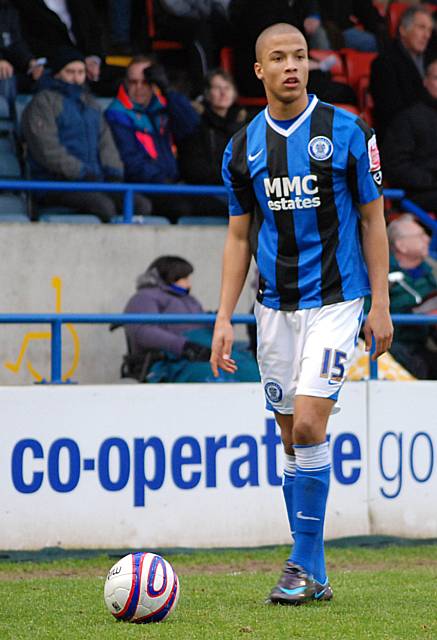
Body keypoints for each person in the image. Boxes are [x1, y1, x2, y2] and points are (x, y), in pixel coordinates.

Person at [210, 22, 393, 604]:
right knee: (292, 441)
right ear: (258, 71)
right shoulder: (241, 149)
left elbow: (373, 217)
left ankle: (301, 564)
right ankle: (313, 574)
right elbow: (239, 238)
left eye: (301, 56)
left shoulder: (346, 131)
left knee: (312, 424)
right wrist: (222, 317)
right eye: (278, 58)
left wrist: (381, 303)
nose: (292, 65)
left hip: (338, 303)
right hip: (273, 311)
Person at [22, 48, 151, 222]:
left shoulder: (91, 103)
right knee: (104, 207)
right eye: (70, 72)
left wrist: (113, 172)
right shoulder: (42, 102)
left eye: (80, 72)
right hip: (56, 184)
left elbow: (106, 142)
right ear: (57, 74)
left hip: (94, 181)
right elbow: (46, 149)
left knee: (141, 205)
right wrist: (81, 172)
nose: (76, 78)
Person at [106, 56, 217, 222]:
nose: (138, 88)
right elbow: (131, 161)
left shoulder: (163, 107)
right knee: (182, 208)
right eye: (133, 82)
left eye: (145, 82)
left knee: (222, 207)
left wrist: (167, 89)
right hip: (144, 186)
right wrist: (163, 182)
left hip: (172, 186)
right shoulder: (117, 113)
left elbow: (192, 124)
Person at [123, 255, 260, 382]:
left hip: (203, 349)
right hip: (174, 360)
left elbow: (198, 325)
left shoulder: (189, 300)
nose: (189, 284)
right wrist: (184, 346)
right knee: (219, 372)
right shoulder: (145, 297)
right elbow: (143, 331)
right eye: (184, 278)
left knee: (245, 359)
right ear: (171, 277)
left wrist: (215, 321)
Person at [178, 69, 246, 214]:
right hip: (207, 191)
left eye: (227, 88)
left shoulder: (244, 126)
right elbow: (194, 169)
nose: (223, 93)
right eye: (217, 88)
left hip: (236, 190)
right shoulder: (195, 125)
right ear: (207, 94)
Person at [370, 6, 434, 139]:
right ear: (403, 30)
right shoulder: (384, 63)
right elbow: (391, 113)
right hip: (402, 141)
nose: (427, 35)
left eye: (429, 30)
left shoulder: (431, 61)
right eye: (421, 27)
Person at [382, 58, 437, 213]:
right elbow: (395, 166)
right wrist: (431, 180)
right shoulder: (408, 118)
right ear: (425, 81)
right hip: (416, 195)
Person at [387, 215, 437, 379]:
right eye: (420, 235)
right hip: (396, 346)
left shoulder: (432, 269)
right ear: (401, 245)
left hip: (427, 342)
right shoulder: (380, 273)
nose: (427, 239)